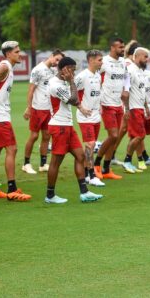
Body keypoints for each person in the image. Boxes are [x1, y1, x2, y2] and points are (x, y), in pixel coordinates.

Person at [45, 57, 103, 204]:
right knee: (56, 162)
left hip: (67, 126)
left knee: (81, 156)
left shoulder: (63, 82)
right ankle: (50, 195)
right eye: (72, 69)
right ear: (64, 69)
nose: (74, 73)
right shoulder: (55, 85)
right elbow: (74, 99)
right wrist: (71, 82)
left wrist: (70, 83)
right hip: (59, 127)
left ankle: (84, 192)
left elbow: (75, 100)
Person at [0, 41, 31, 201]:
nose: (19, 54)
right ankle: (12, 188)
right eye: (16, 51)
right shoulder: (4, 67)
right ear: (8, 54)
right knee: (12, 149)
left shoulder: (7, 67)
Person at [22, 49, 64, 174]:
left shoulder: (55, 71)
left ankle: (43, 164)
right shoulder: (37, 70)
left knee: (46, 136)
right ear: (51, 56)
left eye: (59, 61)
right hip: (37, 108)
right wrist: (29, 107)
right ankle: (26, 163)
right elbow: (31, 90)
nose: (57, 63)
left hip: (49, 109)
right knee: (34, 136)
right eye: (56, 59)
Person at [93, 38, 128, 180]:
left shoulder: (123, 62)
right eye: (120, 47)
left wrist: (126, 89)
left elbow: (126, 78)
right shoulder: (104, 62)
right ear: (113, 48)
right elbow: (93, 75)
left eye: (123, 46)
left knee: (115, 137)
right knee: (113, 135)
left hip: (118, 104)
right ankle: (96, 164)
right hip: (106, 103)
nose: (123, 49)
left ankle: (107, 169)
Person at [74, 50, 105, 187]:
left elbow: (97, 93)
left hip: (96, 116)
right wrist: (80, 107)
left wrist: (100, 106)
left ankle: (86, 173)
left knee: (90, 147)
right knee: (90, 144)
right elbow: (73, 93)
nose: (101, 62)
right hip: (85, 116)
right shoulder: (82, 77)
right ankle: (92, 176)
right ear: (91, 60)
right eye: (99, 60)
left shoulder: (98, 76)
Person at [122, 47, 150, 173]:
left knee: (136, 136)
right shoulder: (130, 70)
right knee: (140, 135)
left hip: (140, 107)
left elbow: (142, 91)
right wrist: (127, 109)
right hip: (133, 108)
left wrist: (147, 107)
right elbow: (125, 91)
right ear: (137, 56)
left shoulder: (140, 71)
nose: (147, 59)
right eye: (145, 57)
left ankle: (129, 162)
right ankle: (127, 161)